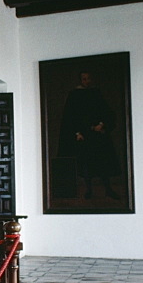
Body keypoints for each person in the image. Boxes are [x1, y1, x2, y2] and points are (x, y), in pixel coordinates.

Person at [58, 71, 120, 200]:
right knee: (86, 165)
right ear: (80, 80)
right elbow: (71, 116)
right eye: (84, 79)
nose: (86, 81)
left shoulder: (96, 93)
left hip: (98, 134)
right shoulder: (74, 94)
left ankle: (108, 189)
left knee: (103, 163)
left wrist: (102, 124)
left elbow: (106, 111)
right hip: (84, 136)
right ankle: (89, 190)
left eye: (88, 78)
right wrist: (77, 132)